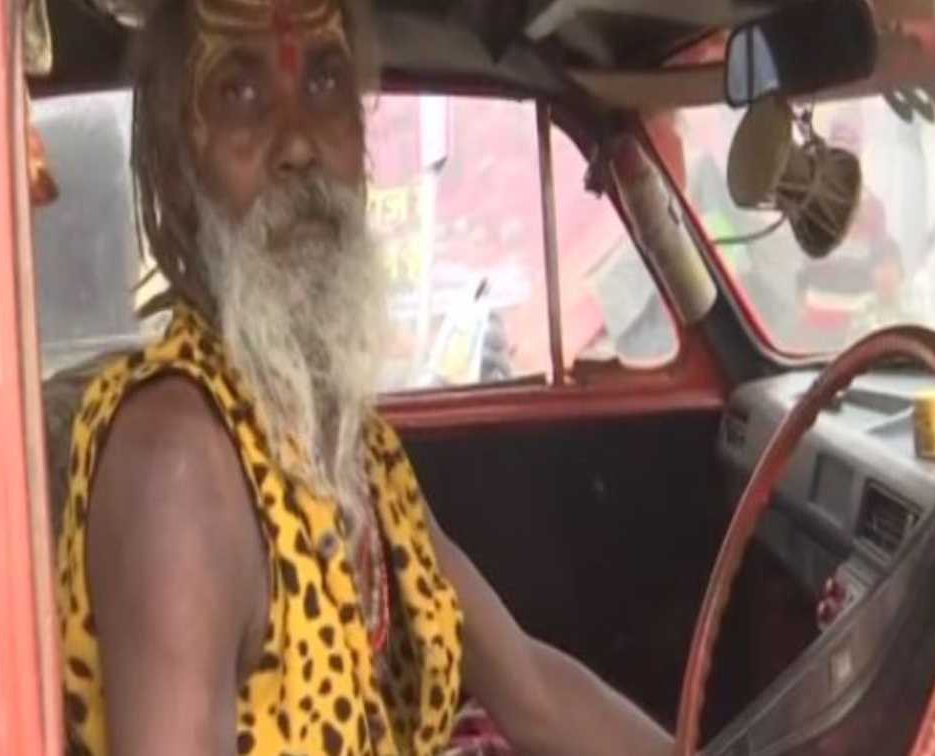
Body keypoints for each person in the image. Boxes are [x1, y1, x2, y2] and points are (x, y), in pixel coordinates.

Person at [53, 1, 675, 755]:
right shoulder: (181, 462)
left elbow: (533, 691)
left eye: (324, 83)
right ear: (178, 165)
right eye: (239, 96)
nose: (298, 144)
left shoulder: (348, 445)